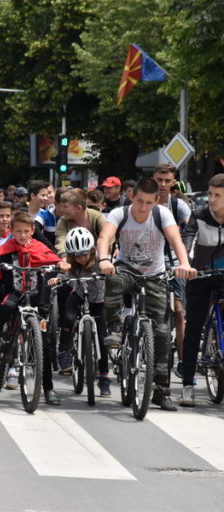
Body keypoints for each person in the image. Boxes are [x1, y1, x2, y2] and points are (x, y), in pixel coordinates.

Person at [97, 178, 196, 411]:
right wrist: (103, 259)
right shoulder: (119, 214)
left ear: (156, 201)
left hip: (155, 275)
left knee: (162, 332)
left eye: (148, 203)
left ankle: (162, 390)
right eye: (140, 201)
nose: (143, 207)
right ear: (132, 197)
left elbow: (175, 240)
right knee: (112, 279)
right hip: (126, 269)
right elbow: (105, 238)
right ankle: (114, 328)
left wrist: (184, 263)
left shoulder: (161, 215)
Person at [0, 212, 66, 405]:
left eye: (26, 231)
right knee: (7, 306)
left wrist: (61, 263)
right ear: (11, 231)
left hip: (37, 296)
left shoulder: (39, 246)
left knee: (43, 344)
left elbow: (52, 259)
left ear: (33, 231)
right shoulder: (8, 247)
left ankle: (49, 389)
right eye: (18, 231)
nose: (22, 235)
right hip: (15, 293)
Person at [48, 227, 111, 397]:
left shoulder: (100, 258)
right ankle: (64, 349)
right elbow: (64, 274)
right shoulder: (72, 262)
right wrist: (57, 279)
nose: (81, 258)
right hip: (78, 295)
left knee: (102, 338)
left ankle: (104, 379)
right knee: (68, 317)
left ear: (92, 250)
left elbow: (112, 268)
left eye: (85, 254)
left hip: (98, 301)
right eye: (77, 255)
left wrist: (111, 271)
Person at [178, 174, 224, 406]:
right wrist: (186, 264)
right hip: (200, 275)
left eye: (217, 195)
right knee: (194, 325)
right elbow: (188, 240)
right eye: (210, 194)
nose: (211, 200)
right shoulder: (199, 216)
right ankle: (188, 383)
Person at [153, 163, 191, 377]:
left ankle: (184, 362)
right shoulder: (146, 203)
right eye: (159, 180)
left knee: (178, 312)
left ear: (174, 182)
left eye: (167, 180)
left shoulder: (178, 206)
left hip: (175, 263)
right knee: (152, 312)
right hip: (151, 263)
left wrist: (185, 259)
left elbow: (190, 230)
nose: (163, 184)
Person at [54, 188, 107, 257]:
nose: (62, 209)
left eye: (65, 207)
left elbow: (106, 239)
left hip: (98, 256)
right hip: (73, 257)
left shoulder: (97, 217)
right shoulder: (63, 220)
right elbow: (61, 239)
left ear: (78, 208)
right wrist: (64, 256)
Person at [28, 181, 56, 246]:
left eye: (47, 195)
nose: (46, 198)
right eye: (43, 195)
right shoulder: (20, 214)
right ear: (32, 195)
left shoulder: (47, 215)